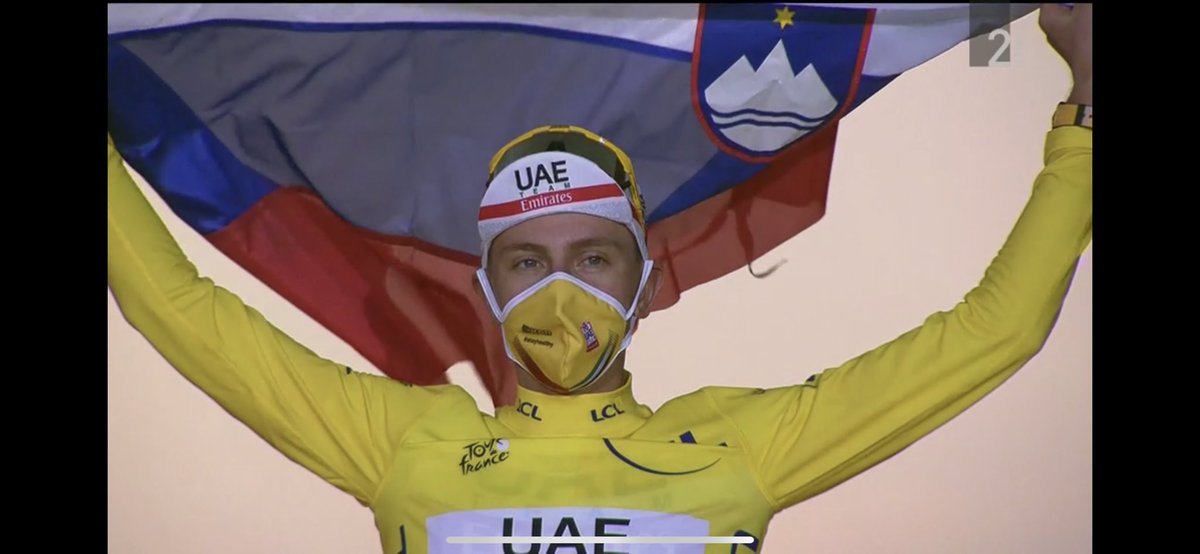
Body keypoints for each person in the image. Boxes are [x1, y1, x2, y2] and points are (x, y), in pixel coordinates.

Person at [107, 4, 1091, 553]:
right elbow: (173, 304)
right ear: (486, 290)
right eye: (525, 261)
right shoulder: (406, 440)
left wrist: (1087, 106)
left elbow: (994, 330)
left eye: (592, 257)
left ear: (645, 284)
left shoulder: (739, 445)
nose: (558, 290)